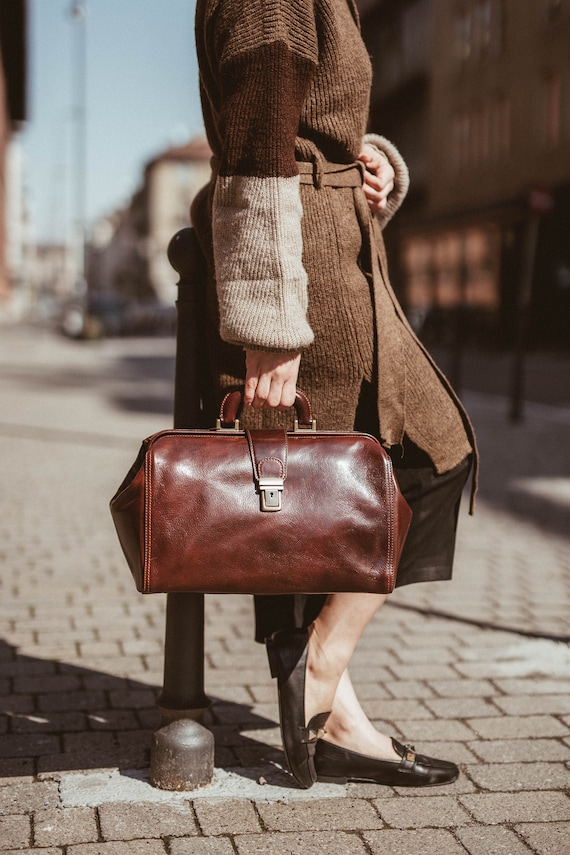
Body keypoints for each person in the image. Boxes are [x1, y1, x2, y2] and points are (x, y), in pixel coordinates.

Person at [190, 0, 477, 789]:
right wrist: (268, 318)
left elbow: (313, 117)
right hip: (303, 263)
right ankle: (320, 663)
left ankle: (329, 700)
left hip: (334, 240)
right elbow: (256, 139)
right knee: (425, 453)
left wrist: (373, 158)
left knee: (322, 486)